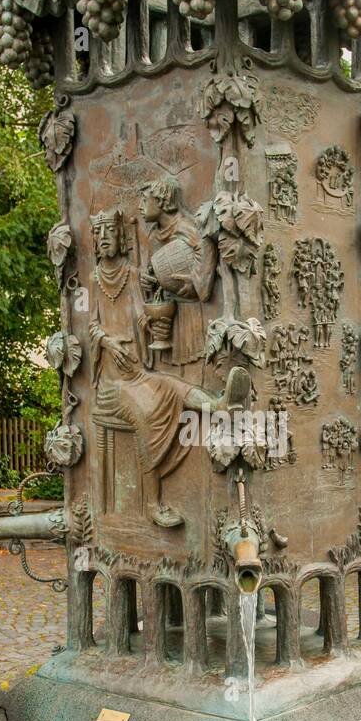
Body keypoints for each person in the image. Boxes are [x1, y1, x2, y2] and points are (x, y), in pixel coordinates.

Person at [87, 207, 246, 528]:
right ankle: (152, 504)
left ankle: (219, 404)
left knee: (171, 386)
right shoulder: (94, 279)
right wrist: (107, 342)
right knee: (147, 413)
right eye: (99, 234)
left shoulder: (132, 275)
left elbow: (139, 312)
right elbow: (91, 325)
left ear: (121, 238)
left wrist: (151, 320)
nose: (104, 239)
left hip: (135, 373)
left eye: (110, 233)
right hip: (111, 382)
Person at [139, 176, 216, 370]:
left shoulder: (186, 227)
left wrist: (196, 281)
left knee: (194, 369)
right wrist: (150, 281)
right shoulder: (154, 234)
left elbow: (207, 248)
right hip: (165, 315)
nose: (140, 206)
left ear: (162, 201)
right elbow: (155, 269)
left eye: (145, 199)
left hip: (189, 314)